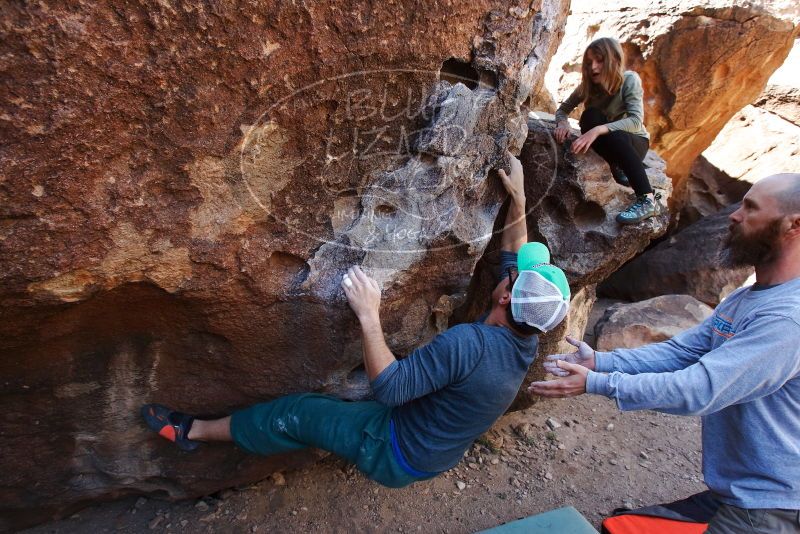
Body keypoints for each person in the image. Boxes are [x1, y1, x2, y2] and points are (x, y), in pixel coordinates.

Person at [140, 152, 571, 488]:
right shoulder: (522, 331)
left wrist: (369, 314)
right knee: (332, 410)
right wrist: (518, 199)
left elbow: (391, 389)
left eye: (515, 275)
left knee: (297, 413)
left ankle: (191, 430)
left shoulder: (470, 345)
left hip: (396, 451)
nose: (511, 269)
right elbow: (515, 257)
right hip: (436, 452)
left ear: (507, 293)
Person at [530, 173, 800, 533]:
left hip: (768, 506)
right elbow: (685, 350)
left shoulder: (786, 320)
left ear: (794, 225)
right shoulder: (750, 296)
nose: (734, 215)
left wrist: (601, 383)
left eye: (750, 208)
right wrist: (602, 361)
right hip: (738, 490)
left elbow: (699, 389)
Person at [554, 37, 656, 225]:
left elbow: (635, 121)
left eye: (600, 60)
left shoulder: (629, 80)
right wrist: (562, 124)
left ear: (614, 59)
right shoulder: (587, 87)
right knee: (590, 116)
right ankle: (617, 165)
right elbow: (562, 110)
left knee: (606, 130)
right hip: (610, 146)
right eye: (589, 62)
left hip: (633, 143)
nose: (593, 67)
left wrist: (598, 130)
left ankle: (647, 199)